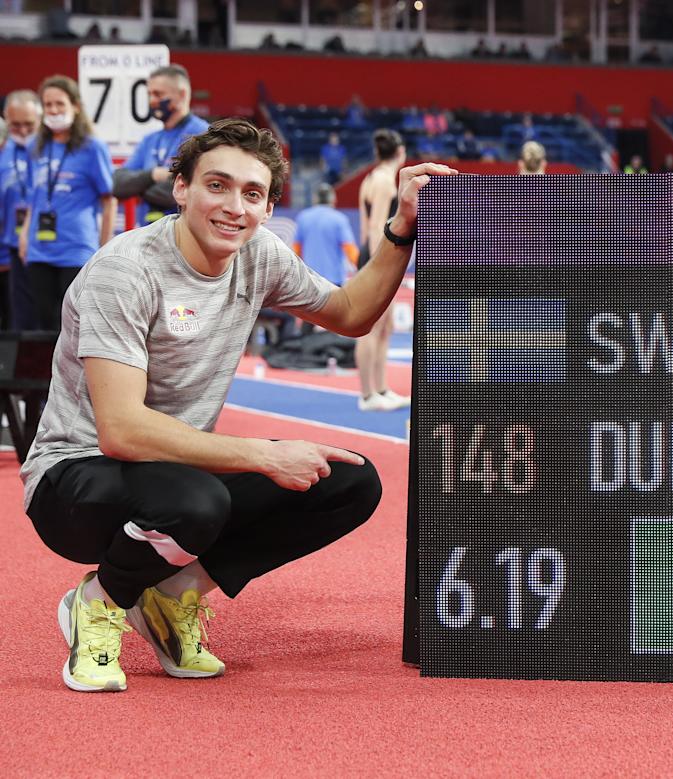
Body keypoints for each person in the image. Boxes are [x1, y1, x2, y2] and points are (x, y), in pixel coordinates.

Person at [20, 117, 456, 692]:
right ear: (182, 189)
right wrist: (264, 455)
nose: (234, 207)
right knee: (197, 499)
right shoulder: (124, 272)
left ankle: (173, 596)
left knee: (348, 481)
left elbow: (351, 313)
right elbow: (120, 431)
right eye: (217, 186)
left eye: (252, 194)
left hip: (174, 476)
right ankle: (100, 601)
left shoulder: (259, 256)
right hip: (73, 481)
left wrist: (402, 229)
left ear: (269, 208)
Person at [19, 75, 115, 331]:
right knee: (45, 323)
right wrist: (25, 236)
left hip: (77, 250)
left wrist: (104, 248)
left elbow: (109, 200)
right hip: (40, 250)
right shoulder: (35, 147)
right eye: (47, 105)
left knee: (73, 326)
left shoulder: (92, 147)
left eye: (59, 104)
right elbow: (34, 199)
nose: (53, 110)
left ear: (75, 106)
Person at [113, 65, 208, 227]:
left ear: (182, 94)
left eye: (158, 94)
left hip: (186, 237)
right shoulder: (150, 139)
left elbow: (190, 188)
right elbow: (117, 184)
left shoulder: (203, 135)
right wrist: (154, 176)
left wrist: (139, 186)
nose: (152, 101)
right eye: (149, 94)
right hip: (148, 237)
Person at [356, 129, 409, 411]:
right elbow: (376, 225)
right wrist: (379, 263)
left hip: (375, 253)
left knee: (386, 326)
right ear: (400, 153)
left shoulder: (372, 177)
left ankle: (381, 388)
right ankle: (367, 395)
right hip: (378, 255)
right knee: (373, 327)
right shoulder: (384, 181)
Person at [292, 183, 357, 339]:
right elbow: (351, 251)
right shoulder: (339, 219)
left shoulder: (303, 217)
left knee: (308, 320)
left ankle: (304, 352)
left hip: (309, 279)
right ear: (333, 199)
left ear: (315, 199)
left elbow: (295, 251)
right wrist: (364, 269)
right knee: (335, 323)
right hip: (333, 281)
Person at [0, 89, 41, 330]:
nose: (23, 131)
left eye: (29, 124)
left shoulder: (50, 149)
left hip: (43, 253)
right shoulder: (4, 152)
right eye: (16, 125)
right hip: (8, 255)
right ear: (6, 118)